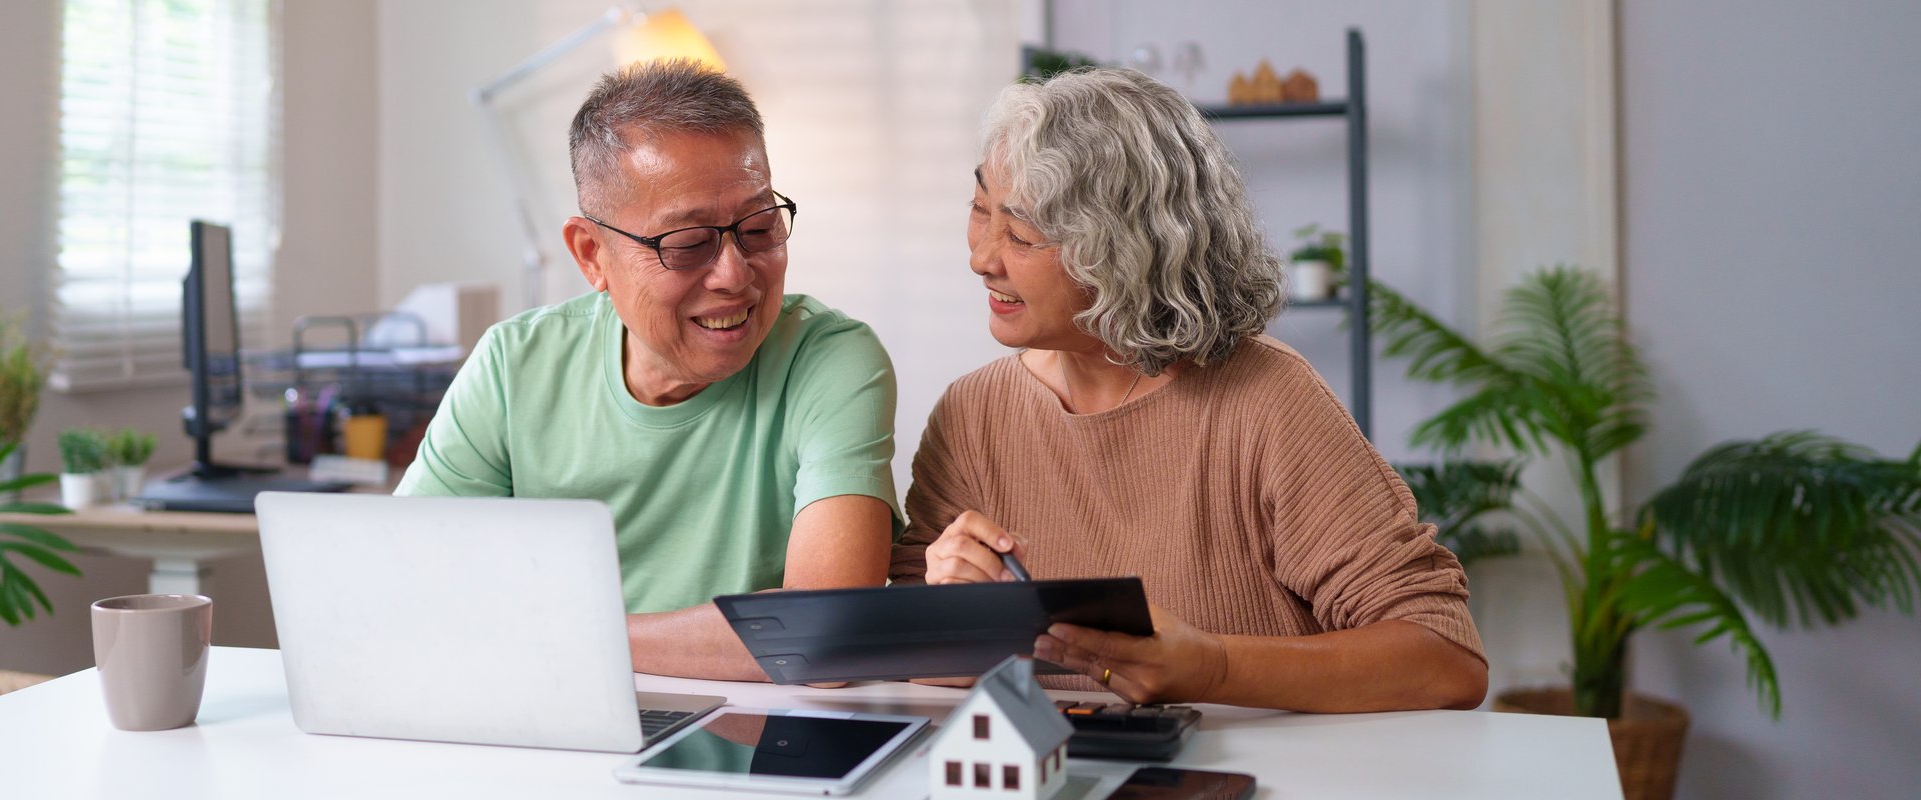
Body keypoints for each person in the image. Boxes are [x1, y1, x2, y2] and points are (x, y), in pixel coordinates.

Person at [891, 67, 1487, 712]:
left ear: (1126, 251)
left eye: (1023, 235)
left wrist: (1214, 668)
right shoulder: (973, 413)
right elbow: (902, 659)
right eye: (981, 211)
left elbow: (1445, 659)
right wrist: (949, 615)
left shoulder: (1267, 400)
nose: (983, 256)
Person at [399, 60, 899, 681]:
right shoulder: (513, 366)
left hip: (757, 770)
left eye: (759, 227)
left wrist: (551, 632)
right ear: (592, 254)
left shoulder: (828, 359)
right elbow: (410, 594)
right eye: (687, 244)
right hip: (552, 758)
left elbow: (826, 631)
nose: (734, 274)